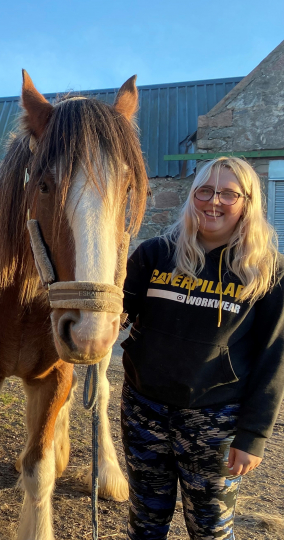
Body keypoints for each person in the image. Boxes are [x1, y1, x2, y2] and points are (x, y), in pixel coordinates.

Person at [120, 156, 284, 540]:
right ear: (192, 196)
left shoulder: (268, 270)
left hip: (215, 421)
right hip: (144, 411)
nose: (214, 201)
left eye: (228, 193)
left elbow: (274, 357)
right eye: (205, 191)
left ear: (247, 202)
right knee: (145, 522)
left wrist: (253, 436)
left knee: (210, 529)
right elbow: (116, 312)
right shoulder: (155, 254)